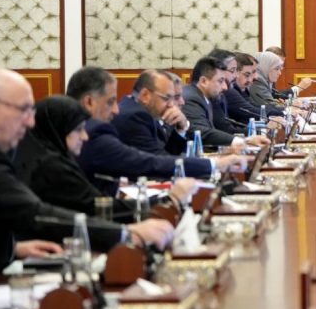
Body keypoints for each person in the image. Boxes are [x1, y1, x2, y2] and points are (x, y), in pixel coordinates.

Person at [0, 70, 171, 273]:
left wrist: (14, 248)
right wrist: (125, 234)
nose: (30, 122)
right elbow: (32, 213)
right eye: (24, 110)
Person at [15, 95, 196, 227]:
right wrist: (168, 200)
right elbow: (97, 207)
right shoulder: (51, 167)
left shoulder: (47, 156)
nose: (85, 137)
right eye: (78, 130)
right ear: (58, 130)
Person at [68, 66, 201, 187]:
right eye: (110, 102)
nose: (116, 110)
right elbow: (153, 164)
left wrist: (180, 130)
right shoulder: (133, 116)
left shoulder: (145, 113)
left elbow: (162, 157)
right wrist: (209, 165)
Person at [112, 70, 240, 178]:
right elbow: (159, 163)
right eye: (167, 98)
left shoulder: (143, 111)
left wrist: (181, 129)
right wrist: (215, 164)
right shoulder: (135, 116)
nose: (172, 104)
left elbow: (166, 156)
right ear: (145, 95)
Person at [185, 56, 270, 148]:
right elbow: (202, 133)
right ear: (204, 81)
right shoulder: (192, 99)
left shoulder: (204, 97)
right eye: (220, 81)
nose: (225, 87)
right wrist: (244, 141)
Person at [226, 52, 284, 124]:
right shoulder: (230, 91)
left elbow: (255, 106)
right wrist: (284, 113)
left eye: (254, 72)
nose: (255, 77)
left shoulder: (242, 90)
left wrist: (282, 112)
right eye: (247, 75)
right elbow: (251, 111)